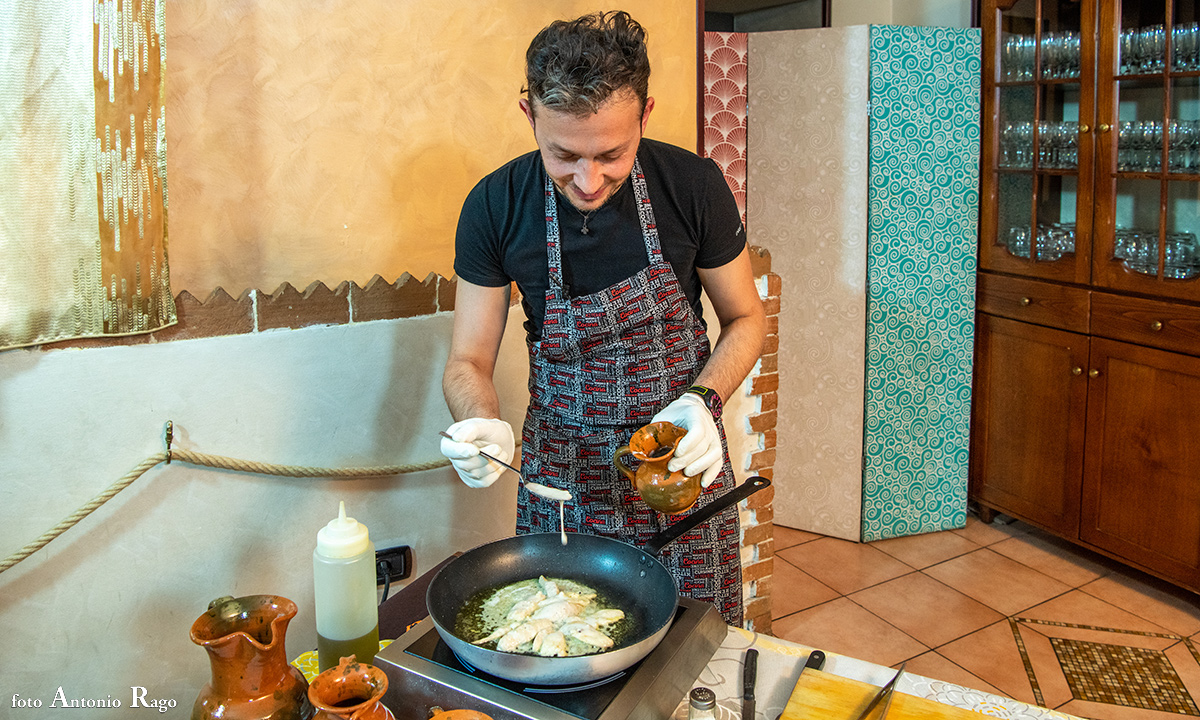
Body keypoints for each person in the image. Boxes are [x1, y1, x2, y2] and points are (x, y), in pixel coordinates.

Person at [438, 10, 765, 625]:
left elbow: (747, 318)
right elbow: (468, 359)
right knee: (564, 645)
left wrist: (704, 401)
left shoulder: (692, 186)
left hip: (680, 473)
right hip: (562, 481)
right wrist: (479, 421)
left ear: (643, 115)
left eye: (612, 154)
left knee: (698, 657)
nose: (589, 180)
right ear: (529, 115)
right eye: (564, 155)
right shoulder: (494, 205)